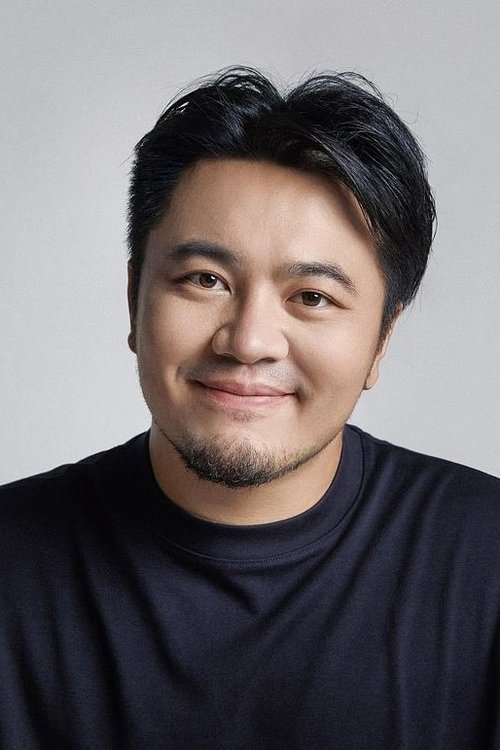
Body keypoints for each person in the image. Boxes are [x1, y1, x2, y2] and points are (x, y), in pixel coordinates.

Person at [0, 67, 498, 750]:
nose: (249, 341)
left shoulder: (484, 562)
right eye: (205, 280)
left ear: (382, 338)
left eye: (312, 297)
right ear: (133, 299)